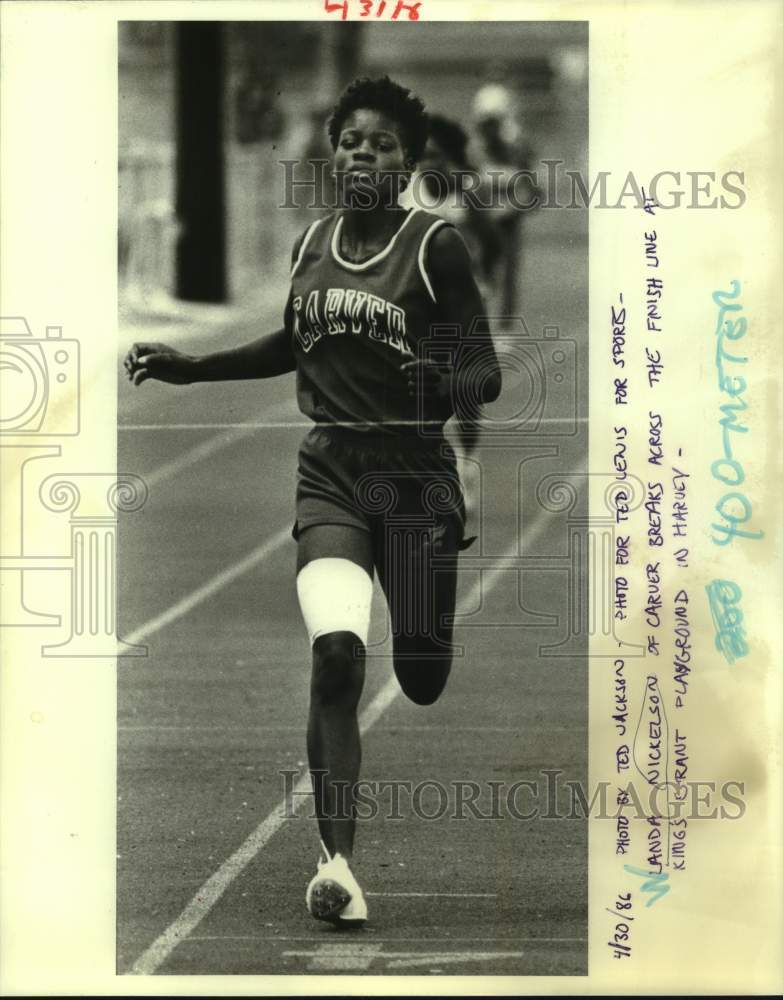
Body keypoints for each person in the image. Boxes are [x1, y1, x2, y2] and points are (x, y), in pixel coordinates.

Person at [124, 76, 502, 927]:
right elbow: (290, 343)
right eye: (351, 140)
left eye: (382, 143)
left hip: (412, 482)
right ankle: (336, 864)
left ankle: (429, 609)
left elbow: (486, 370)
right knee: (336, 658)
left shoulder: (433, 247)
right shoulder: (312, 242)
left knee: (422, 674)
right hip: (329, 471)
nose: (364, 153)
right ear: (334, 153)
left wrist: (439, 375)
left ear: (408, 160)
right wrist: (194, 366)